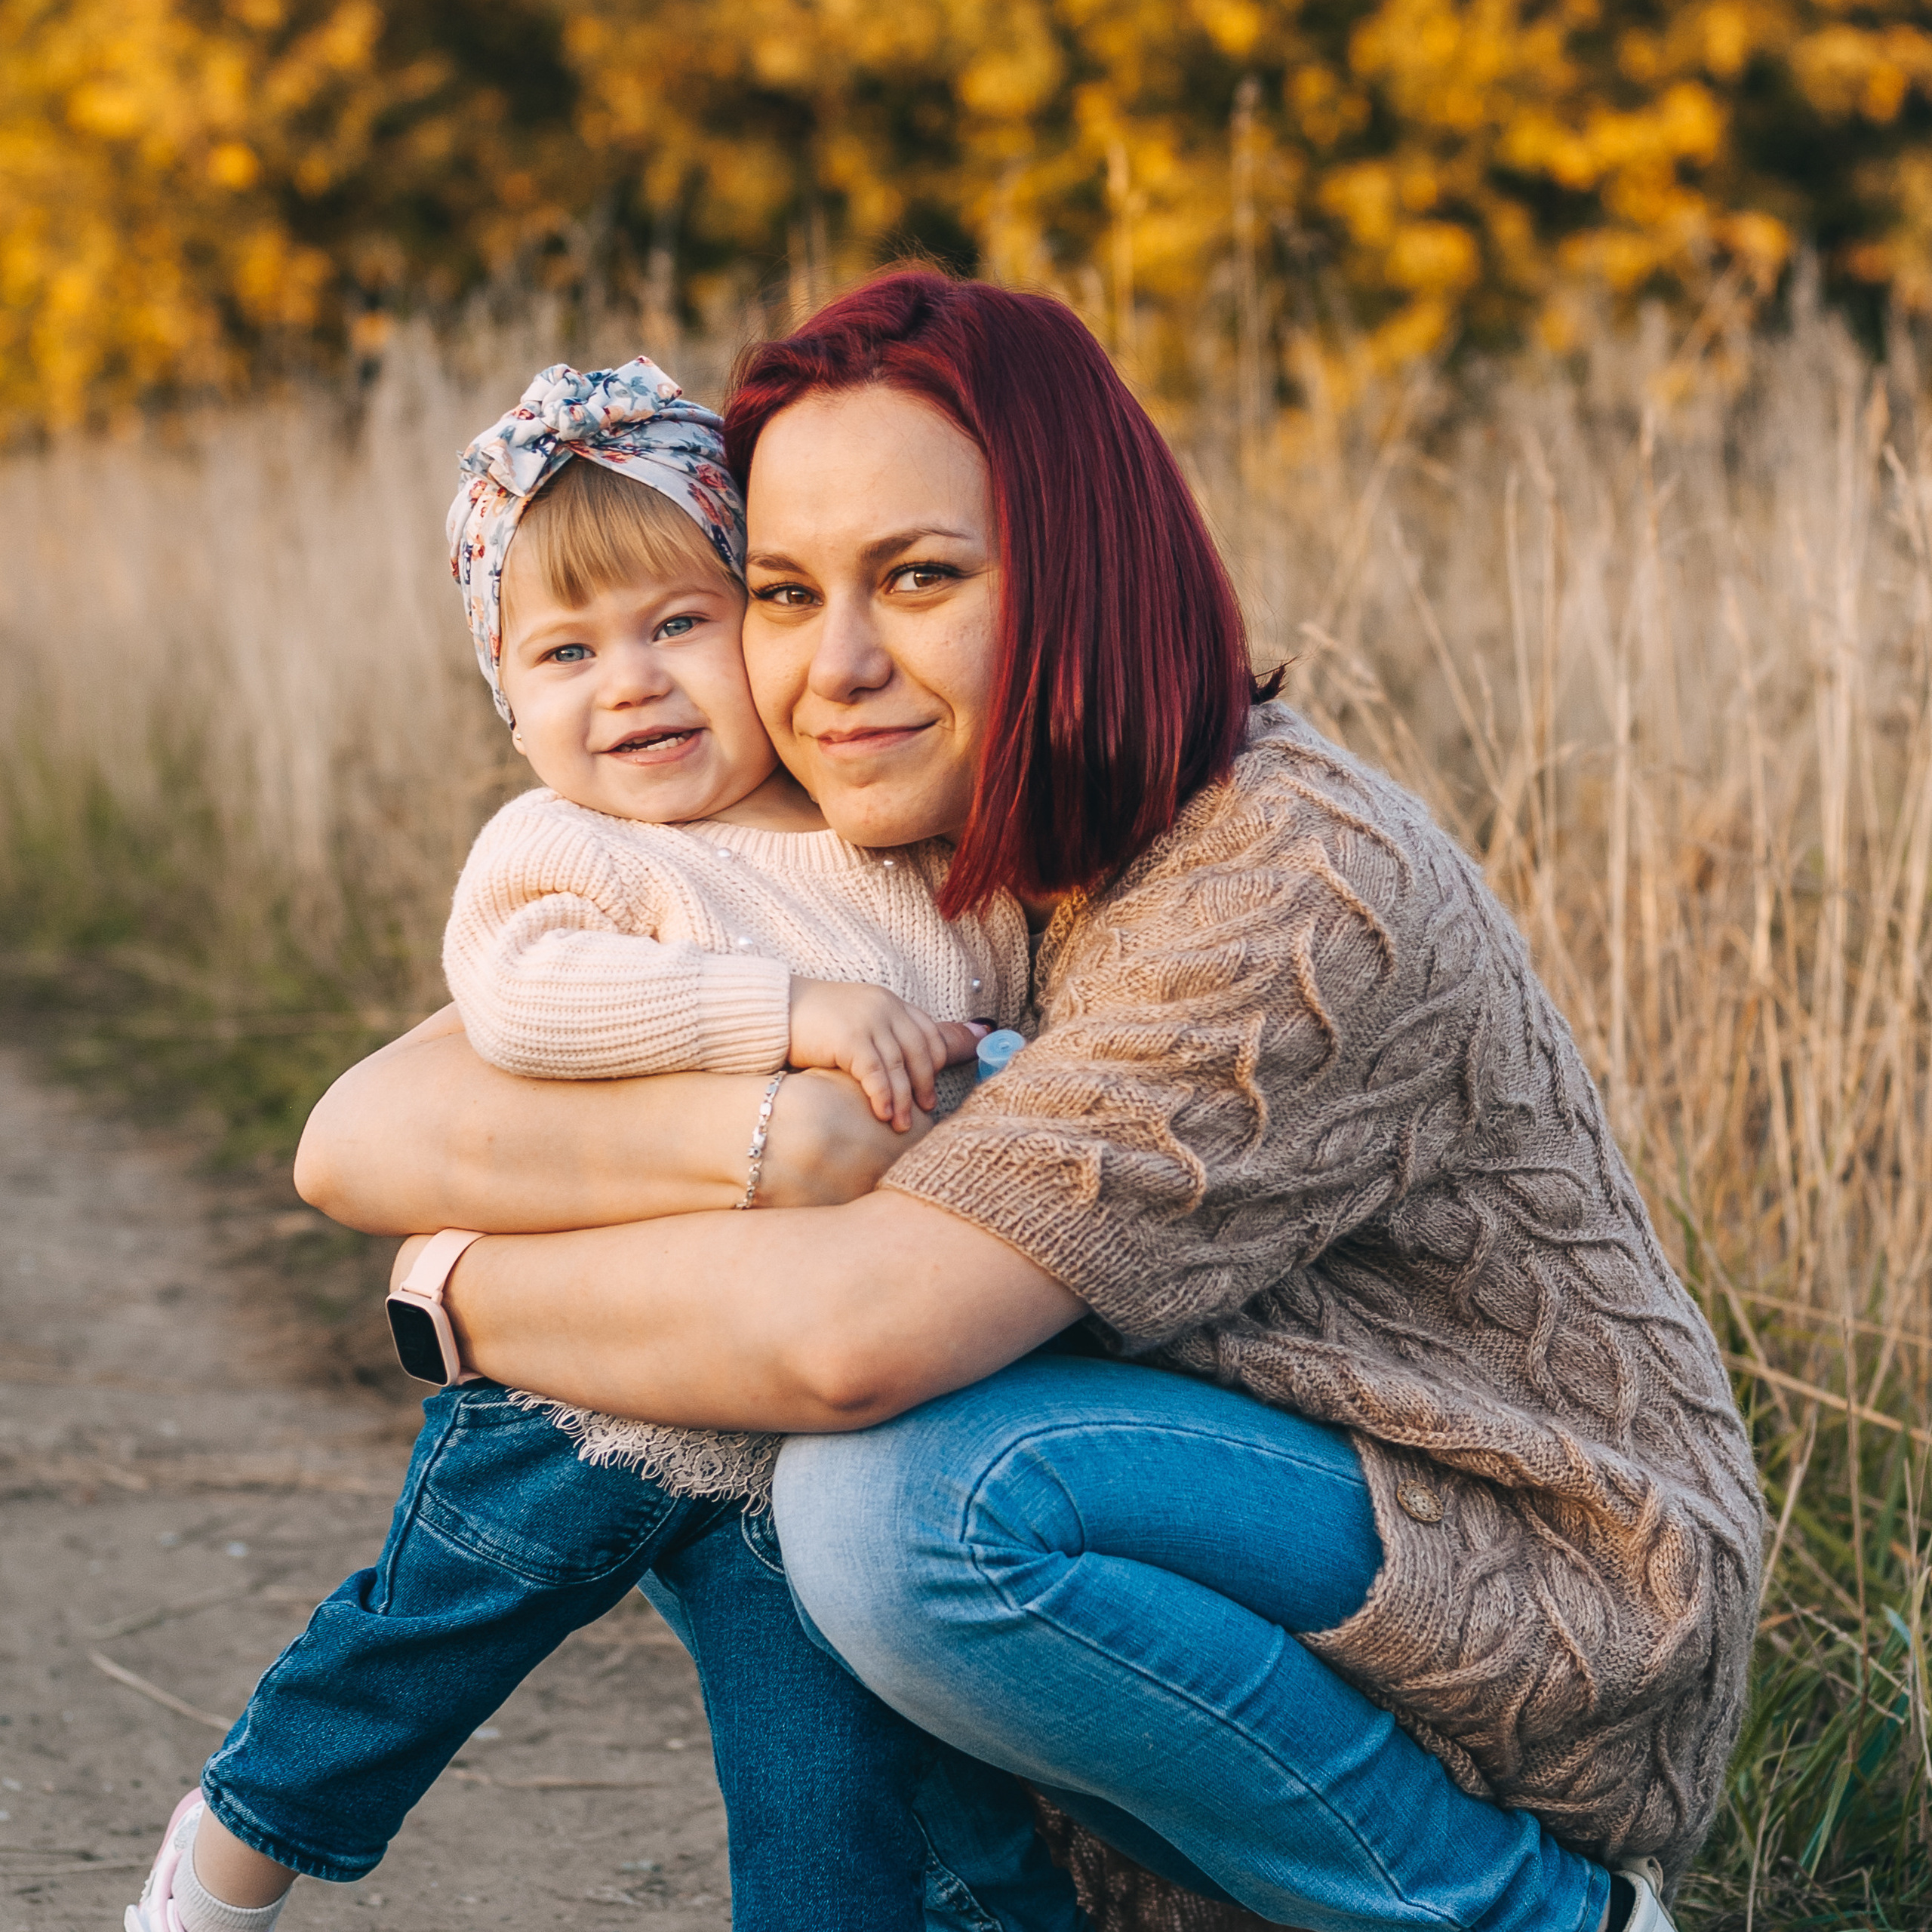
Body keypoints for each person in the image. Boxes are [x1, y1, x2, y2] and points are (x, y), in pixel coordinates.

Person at [292, 272, 1766, 1932]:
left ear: (1074, 564)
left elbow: (847, 1339)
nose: (832, 667)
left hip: (1519, 1572)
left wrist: (454, 1285)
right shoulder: (890, 819)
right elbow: (364, 1125)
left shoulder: (1289, 891)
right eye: (778, 591)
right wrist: (758, 1139)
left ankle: (1527, 1915)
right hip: (1201, 1518)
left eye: (916, 577)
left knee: (899, 1502)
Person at [125, 354, 1066, 1932]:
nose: (625, 682)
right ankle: (219, 1865)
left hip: (798, 1441)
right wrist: (795, 1013)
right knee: (405, 1657)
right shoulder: (569, 850)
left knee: (829, 1785)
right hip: (576, 1400)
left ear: (756, 628)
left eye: (676, 623)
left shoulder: (880, 837)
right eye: (563, 650)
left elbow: (989, 1026)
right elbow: (531, 1001)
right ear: (510, 692)